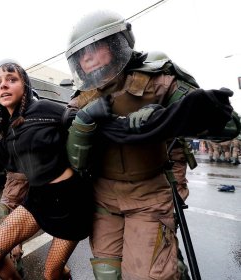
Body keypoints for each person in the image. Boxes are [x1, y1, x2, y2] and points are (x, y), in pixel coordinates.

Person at [64, 9, 236, 279]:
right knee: (107, 273)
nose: (88, 58)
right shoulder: (81, 101)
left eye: (95, 48)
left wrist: (163, 115)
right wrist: (83, 123)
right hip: (104, 199)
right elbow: (75, 160)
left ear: (117, 44)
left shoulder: (159, 83)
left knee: (149, 274)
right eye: (82, 54)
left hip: (148, 195)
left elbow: (226, 124)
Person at [0, 60, 95, 280]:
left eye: (12, 79)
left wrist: (82, 116)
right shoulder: (7, 131)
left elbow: (77, 119)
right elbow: (1, 159)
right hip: (37, 200)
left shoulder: (43, 109)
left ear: (25, 86)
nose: (4, 85)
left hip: (71, 205)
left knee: (51, 274)